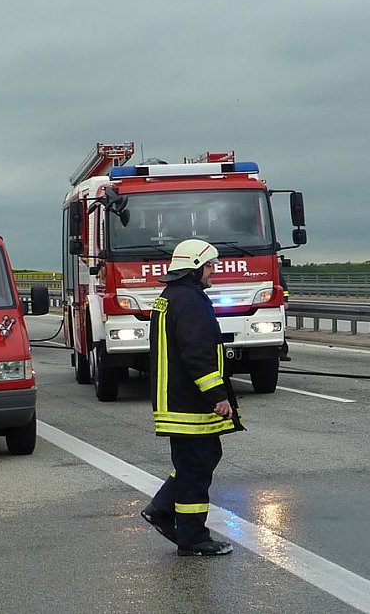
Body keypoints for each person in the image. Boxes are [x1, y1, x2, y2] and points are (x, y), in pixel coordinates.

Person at [140, 238, 244, 557]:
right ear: (196, 267)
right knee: (195, 468)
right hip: (188, 405)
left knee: (199, 461)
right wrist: (218, 396)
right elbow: (198, 355)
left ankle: (162, 509)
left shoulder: (172, 297)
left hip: (177, 402)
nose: (214, 272)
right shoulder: (190, 301)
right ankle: (192, 537)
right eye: (210, 266)